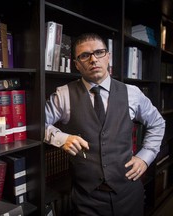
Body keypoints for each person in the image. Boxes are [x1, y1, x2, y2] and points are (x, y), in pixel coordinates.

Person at [44, 33, 165, 216]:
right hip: (86, 199)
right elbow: (38, 126)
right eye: (85, 55)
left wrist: (144, 157)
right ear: (77, 64)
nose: (93, 59)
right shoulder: (63, 95)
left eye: (99, 52)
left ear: (108, 57)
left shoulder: (132, 93)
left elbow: (157, 123)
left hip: (129, 194)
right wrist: (61, 138)